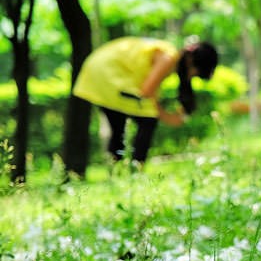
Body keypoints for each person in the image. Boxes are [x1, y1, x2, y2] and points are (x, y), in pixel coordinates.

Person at [73, 37, 218, 166]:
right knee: (148, 119)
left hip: (98, 69)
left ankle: (118, 171)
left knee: (119, 126)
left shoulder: (167, 52)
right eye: (196, 73)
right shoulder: (168, 58)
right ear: (191, 61)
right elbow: (147, 92)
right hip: (107, 72)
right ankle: (136, 168)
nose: (192, 77)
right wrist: (168, 117)